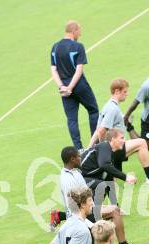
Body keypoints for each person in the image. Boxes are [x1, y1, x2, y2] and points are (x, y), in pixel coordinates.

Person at [49, 146, 145, 244]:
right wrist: (91, 224)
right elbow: (73, 208)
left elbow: (87, 195)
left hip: (85, 211)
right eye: (79, 157)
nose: (81, 159)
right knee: (115, 212)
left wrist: (98, 207)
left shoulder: (75, 173)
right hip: (79, 216)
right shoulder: (68, 180)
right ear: (72, 159)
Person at [88, 79, 149, 184]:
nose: (127, 94)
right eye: (125, 92)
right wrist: (102, 149)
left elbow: (98, 130)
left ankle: (107, 179)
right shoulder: (112, 109)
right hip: (113, 148)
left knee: (112, 180)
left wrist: (91, 147)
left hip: (113, 146)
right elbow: (102, 130)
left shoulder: (109, 106)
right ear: (117, 91)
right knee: (142, 143)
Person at [50, 20, 99, 151]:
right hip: (78, 85)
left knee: (72, 119)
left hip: (64, 88)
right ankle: (95, 145)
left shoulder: (55, 47)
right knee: (93, 110)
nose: (80, 34)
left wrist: (62, 87)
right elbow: (79, 70)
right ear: (74, 30)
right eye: (79, 31)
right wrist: (71, 87)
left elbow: (53, 69)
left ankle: (79, 149)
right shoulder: (78, 46)